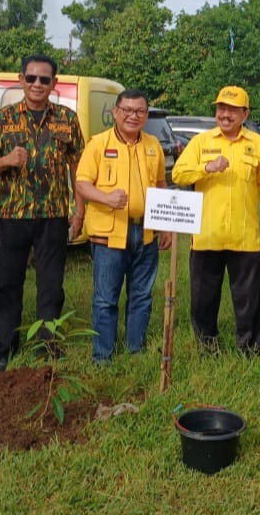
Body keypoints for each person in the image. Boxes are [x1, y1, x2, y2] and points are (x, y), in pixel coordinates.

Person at [0, 54, 85, 371]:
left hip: (53, 216)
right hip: (12, 215)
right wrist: (6, 161)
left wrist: (79, 211)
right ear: (21, 79)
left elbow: (78, 167)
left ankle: (47, 347)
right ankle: (5, 349)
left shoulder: (67, 119)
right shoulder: (2, 118)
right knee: (9, 284)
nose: (37, 84)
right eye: (31, 78)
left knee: (51, 287)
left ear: (54, 82)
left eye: (44, 79)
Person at [173, 86, 260, 355]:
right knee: (203, 299)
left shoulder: (258, 144)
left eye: (232, 110)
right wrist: (206, 168)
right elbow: (179, 175)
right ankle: (208, 347)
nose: (225, 114)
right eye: (221, 109)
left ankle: (252, 348)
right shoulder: (200, 142)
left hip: (245, 237)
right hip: (207, 236)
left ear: (245, 114)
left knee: (249, 298)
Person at [75, 89, 172, 364]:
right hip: (109, 234)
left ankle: (135, 350)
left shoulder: (153, 145)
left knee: (141, 295)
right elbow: (81, 183)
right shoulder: (98, 144)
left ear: (146, 114)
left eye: (140, 111)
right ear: (115, 112)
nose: (133, 116)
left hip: (146, 233)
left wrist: (165, 227)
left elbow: (161, 185)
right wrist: (105, 197)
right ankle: (102, 355)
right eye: (127, 110)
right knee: (106, 298)